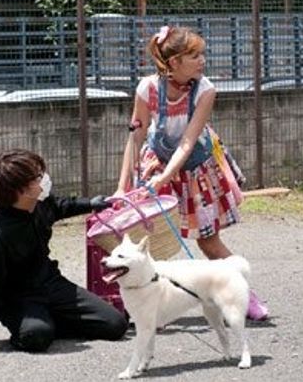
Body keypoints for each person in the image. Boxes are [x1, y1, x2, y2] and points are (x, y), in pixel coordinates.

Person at [115, 25, 269, 321]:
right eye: (195, 55)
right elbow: (135, 136)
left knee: (207, 241)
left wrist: (168, 175)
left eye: (202, 54)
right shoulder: (147, 88)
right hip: (156, 163)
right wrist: (122, 187)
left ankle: (242, 294)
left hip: (195, 168)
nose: (203, 61)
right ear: (173, 63)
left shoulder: (205, 89)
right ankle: (147, 305)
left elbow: (188, 141)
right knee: (149, 239)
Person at [0, 149, 128, 360]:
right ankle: (34, 324)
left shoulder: (39, 202)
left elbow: (59, 206)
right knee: (37, 337)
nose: (44, 179)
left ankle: (48, 319)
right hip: (17, 297)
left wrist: (91, 204)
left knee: (115, 324)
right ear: (22, 190)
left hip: (50, 283)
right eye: (38, 177)